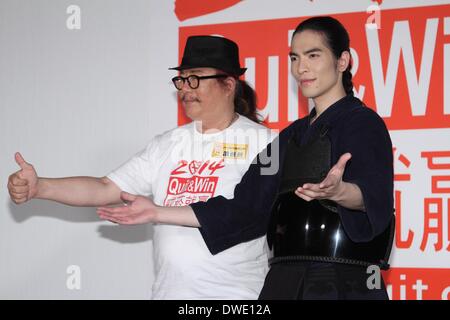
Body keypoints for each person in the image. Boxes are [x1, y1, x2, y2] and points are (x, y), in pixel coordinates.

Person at [96, 16, 395, 300]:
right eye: (294, 58)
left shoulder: (363, 123)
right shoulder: (289, 138)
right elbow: (244, 206)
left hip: (341, 280)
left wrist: (342, 192)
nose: (301, 67)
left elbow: (373, 195)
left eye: (313, 56)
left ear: (342, 61)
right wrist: (157, 212)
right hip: (285, 281)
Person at [7, 35, 276, 299]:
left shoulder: (266, 142)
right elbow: (103, 188)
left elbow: (254, 213)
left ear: (228, 85)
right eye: (181, 79)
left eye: (195, 78)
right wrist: (40, 186)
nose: (184, 88)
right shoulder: (167, 144)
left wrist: (157, 212)